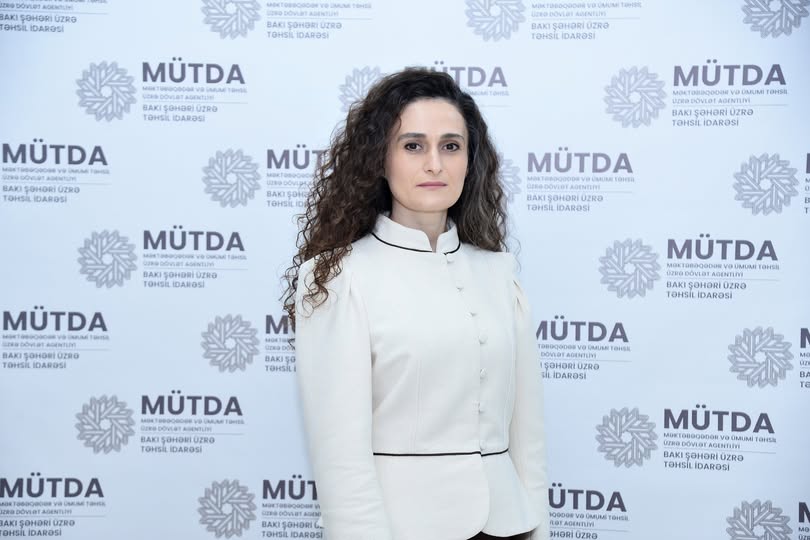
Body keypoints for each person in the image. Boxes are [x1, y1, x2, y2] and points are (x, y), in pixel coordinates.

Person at [282, 67, 548, 540]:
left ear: (470, 161)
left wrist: (537, 529)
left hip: (507, 525)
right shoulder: (339, 278)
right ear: (379, 161)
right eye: (412, 146)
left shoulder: (497, 274)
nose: (435, 164)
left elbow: (527, 440)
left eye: (451, 146)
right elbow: (341, 457)